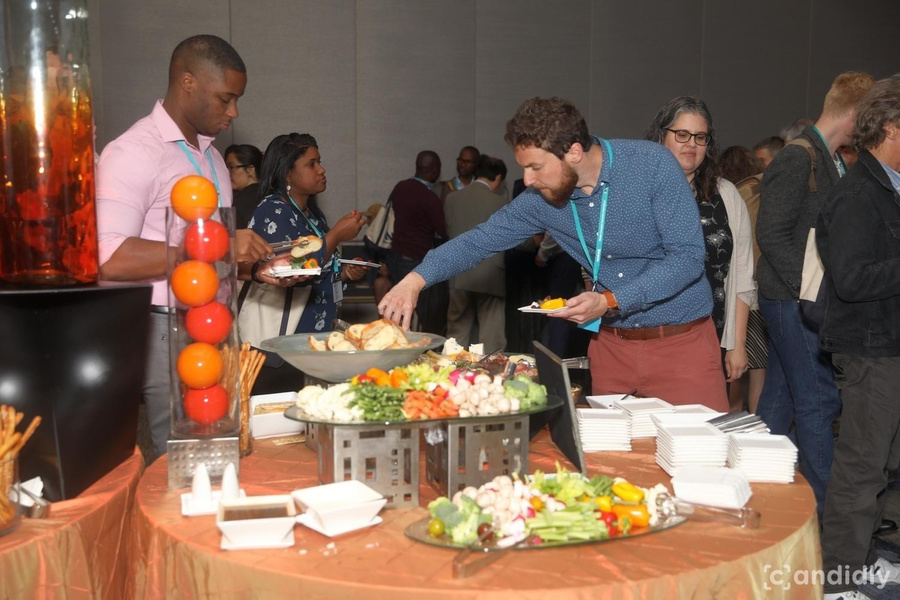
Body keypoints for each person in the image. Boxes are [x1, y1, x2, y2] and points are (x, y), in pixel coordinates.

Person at [380, 97, 728, 411]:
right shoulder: (542, 200)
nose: (528, 180)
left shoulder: (651, 165)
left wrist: (609, 300)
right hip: (611, 349)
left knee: (703, 455)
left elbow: (686, 259)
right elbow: (480, 239)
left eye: (536, 167)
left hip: (682, 347)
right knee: (610, 457)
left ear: (574, 152)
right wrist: (415, 279)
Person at [96, 35, 278, 458]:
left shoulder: (211, 157)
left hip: (215, 321)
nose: (234, 112)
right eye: (226, 99)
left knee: (219, 447)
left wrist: (253, 268)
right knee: (181, 455)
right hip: (165, 325)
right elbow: (107, 257)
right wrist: (217, 247)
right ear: (188, 82)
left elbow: (210, 252)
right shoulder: (133, 152)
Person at [755, 71, 875, 521]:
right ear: (855, 113)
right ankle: (827, 520)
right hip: (792, 300)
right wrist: (813, 291)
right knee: (820, 400)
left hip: (795, 299)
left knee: (780, 401)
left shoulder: (829, 158)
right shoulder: (797, 157)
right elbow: (771, 233)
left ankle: (761, 498)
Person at [818, 74, 900, 600]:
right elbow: (851, 280)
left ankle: (864, 559)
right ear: (891, 127)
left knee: (884, 463)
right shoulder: (856, 194)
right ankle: (838, 578)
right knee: (862, 468)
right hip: (870, 349)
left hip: (889, 344)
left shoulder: (887, 186)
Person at [645, 97, 756, 390]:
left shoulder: (726, 194)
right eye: (682, 134)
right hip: (648, 338)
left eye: (700, 137)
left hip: (709, 337)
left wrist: (737, 345)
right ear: (661, 136)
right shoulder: (639, 192)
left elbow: (742, 274)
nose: (691, 144)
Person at [247, 133, 367, 392]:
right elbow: (290, 271)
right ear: (288, 175)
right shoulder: (273, 210)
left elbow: (319, 269)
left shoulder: (311, 214)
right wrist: (335, 236)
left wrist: (345, 273)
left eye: (319, 162)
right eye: (311, 164)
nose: (321, 170)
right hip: (284, 343)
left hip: (312, 338)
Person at [444, 155, 509, 351]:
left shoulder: (452, 199)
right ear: (498, 177)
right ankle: (491, 370)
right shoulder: (501, 202)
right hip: (490, 274)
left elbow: (448, 231)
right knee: (491, 336)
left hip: (458, 271)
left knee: (456, 334)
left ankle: (450, 368)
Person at [386, 150, 449, 333]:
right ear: (435, 170)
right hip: (417, 259)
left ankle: (396, 340)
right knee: (426, 313)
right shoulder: (430, 198)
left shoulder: (400, 187)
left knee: (399, 309)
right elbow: (443, 231)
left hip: (395, 256)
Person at [224, 143, 262, 227]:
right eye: (226, 167)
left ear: (250, 170)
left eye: (232, 167)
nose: (227, 172)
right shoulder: (269, 193)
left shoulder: (242, 200)